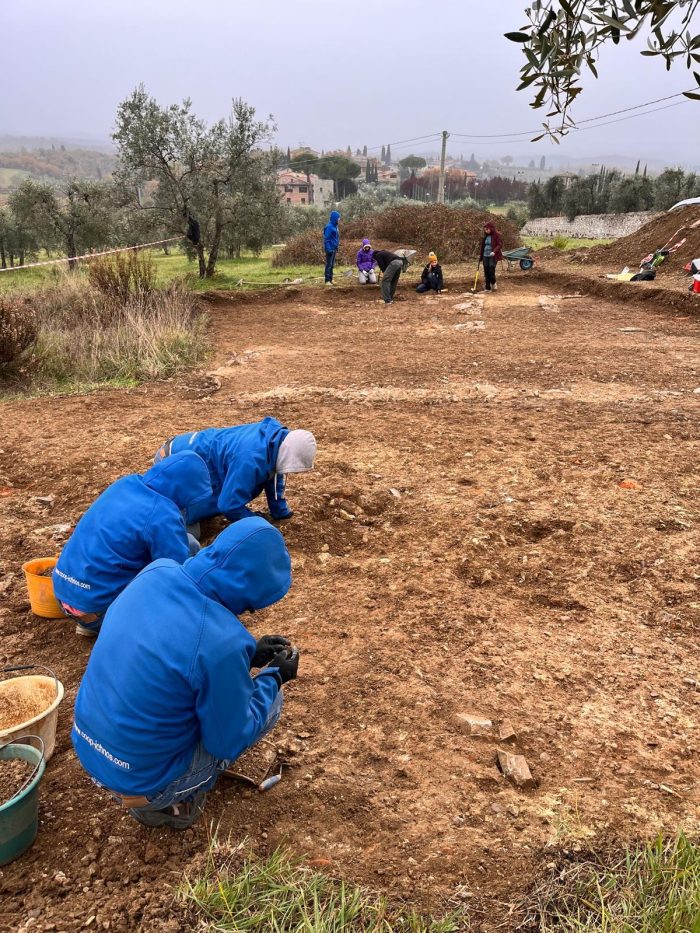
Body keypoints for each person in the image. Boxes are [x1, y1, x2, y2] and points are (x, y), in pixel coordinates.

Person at [71, 516, 299, 829]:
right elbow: (228, 740)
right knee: (268, 703)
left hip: (88, 747)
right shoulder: (222, 642)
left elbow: (174, 655)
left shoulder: (156, 572)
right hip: (141, 781)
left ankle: (146, 788)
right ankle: (167, 804)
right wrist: (273, 677)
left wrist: (249, 655)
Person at [53, 451, 212, 637]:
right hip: (99, 611)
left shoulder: (125, 484)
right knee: (190, 549)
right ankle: (109, 625)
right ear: (186, 490)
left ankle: (88, 621)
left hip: (62, 594)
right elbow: (174, 573)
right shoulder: (163, 514)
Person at [154, 418, 316, 527]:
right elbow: (229, 505)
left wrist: (280, 512)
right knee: (188, 526)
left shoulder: (275, 442)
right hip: (171, 461)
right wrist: (256, 524)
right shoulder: (249, 458)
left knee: (218, 495)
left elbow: (275, 473)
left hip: (191, 459)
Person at [479, 222, 503, 292]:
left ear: (491, 229)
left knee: (491, 272)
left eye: (487, 229)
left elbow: (499, 245)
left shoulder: (497, 235)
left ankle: (493, 283)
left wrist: (494, 251)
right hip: (485, 256)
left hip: (493, 256)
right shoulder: (485, 236)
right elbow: (482, 247)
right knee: (486, 272)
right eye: (485, 229)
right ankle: (487, 288)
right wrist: (481, 257)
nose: (485, 231)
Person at [323, 210, 341, 286]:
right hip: (330, 249)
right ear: (334, 218)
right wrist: (328, 249)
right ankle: (327, 280)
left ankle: (331, 279)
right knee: (329, 265)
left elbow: (335, 238)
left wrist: (336, 246)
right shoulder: (329, 227)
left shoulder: (335, 226)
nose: (339, 220)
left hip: (334, 248)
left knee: (332, 265)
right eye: (338, 218)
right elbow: (326, 239)